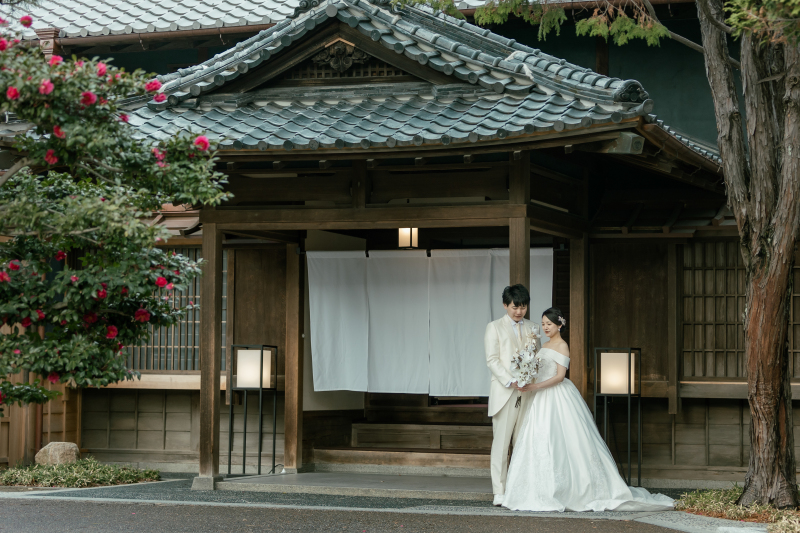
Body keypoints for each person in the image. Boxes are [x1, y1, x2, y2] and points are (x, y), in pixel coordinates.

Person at [501, 307, 674, 512]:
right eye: (544, 323)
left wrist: (535, 386)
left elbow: (559, 376)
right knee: (540, 438)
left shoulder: (562, 346)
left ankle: (574, 489)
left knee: (566, 439)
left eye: (549, 324)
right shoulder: (544, 344)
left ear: (559, 325)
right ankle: (539, 489)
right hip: (541, 397)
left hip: (557, 395)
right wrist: (527, 377)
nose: (546, 327)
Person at [484, 284, 542, 507]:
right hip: (505, 391)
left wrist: (530, 379)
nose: (519, 311)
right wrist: (511, 381)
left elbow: (537, 357)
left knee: (523, 442)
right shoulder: (494, 327)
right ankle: (499, 490)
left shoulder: (533, 327)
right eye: (515, 307)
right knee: (501, 444)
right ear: (505, 305)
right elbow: (492, 360)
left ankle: (520, 488)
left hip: (527, 392)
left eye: (523, 307)